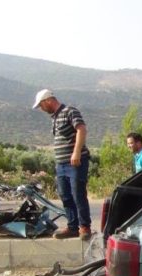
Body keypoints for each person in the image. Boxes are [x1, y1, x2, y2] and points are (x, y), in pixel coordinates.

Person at [32, 89, 92, 241]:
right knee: (65, 195)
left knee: (78, 194)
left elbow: (81, 129)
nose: (41, 109)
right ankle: (72, 227)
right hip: (61, 164)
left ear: (48, 101)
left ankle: (85, 227)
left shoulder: (69, 111)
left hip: (75, 162)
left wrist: (76, 152)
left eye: (41, 105)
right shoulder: (55, 117)